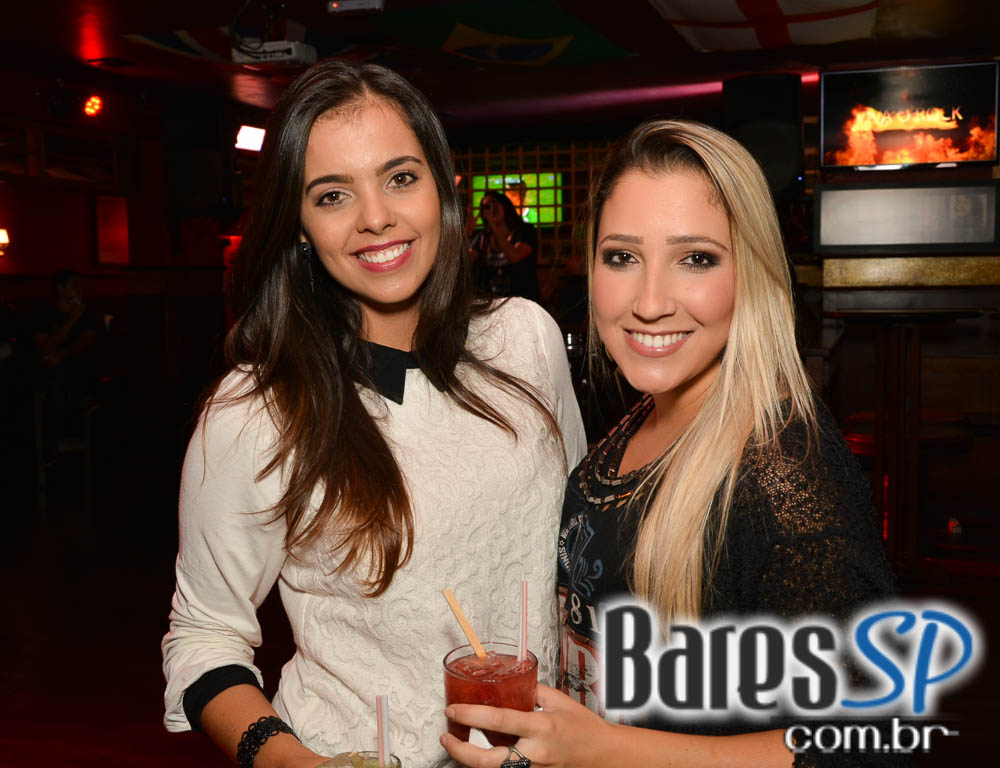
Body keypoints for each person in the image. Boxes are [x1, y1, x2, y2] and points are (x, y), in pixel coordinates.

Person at [161, 60, 586, 768]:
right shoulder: (256, 412)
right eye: (333, 195)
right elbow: (204, 636)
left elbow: (579, 551)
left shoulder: (526, 338)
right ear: (299, 226)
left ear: (442, 188)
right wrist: (288, 761)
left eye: (400, 177)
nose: (375, 216)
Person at [441, 120, 897, 767]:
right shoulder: (642, 418)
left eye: (696, 258)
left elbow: (867, 741)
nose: (650, 302)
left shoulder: (783, 466)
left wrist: (604, 750)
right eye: (622, 257)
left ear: (751, 273)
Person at [469, 190, 540, 302]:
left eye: (494, 203)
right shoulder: (483, 237)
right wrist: (467, 233)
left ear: (505, 205)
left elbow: (515, 256)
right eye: (487, 206)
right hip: (492, 302)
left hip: (521, 301)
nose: (492, 209)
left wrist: (492, 224)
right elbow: (467, 263)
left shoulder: (525, 231)